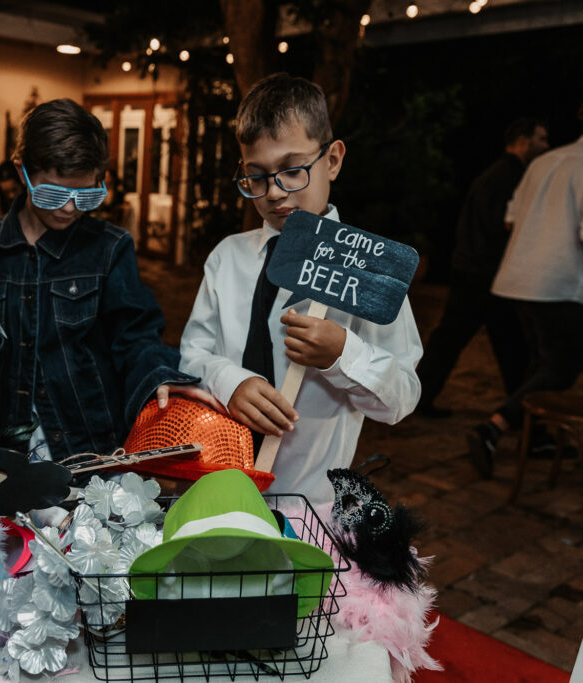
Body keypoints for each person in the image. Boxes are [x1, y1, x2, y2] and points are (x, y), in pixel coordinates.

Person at [178, 73, 422, 506]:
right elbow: (192, 355)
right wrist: (229, 381)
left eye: (292, 171)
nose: (273, 193)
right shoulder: (227, 258)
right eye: (256, 176)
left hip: (309, 500)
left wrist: (342, 353)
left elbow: (401, 397)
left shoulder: (369, 268)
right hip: (215, 487)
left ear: (332, 160)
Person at [0, 98, 205, 462]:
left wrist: (156, 376)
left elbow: (135, 334)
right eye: (54, 192)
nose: (69, 208)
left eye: (87, 194)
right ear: (22, 171)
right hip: (7, 452)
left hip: (92, 449)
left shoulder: (109, 248)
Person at [467, 116, 583, 478]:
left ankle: (535, 438)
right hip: (556, 284)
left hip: (517, 278)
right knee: (561, 369)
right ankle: (493, 428)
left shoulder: (545, 161)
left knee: (539, 365)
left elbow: (509, 220)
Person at [416, 119, 548, 418]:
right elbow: (502, 230)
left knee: (463, 341)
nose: (546, 146)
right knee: (511, 346)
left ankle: (421, 400)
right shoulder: (510, 177)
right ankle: (519, 416)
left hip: (474, 273)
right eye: (541, 139)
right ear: (524, 141)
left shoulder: (498, 174)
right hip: (486, 277)